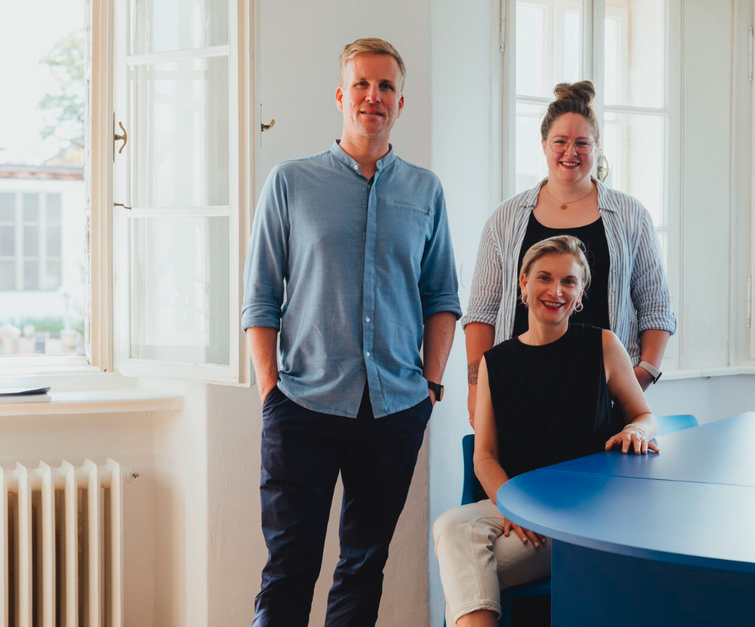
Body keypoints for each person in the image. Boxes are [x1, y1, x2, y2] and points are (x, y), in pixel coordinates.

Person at [241, 37, 461, 627]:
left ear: (400, 102)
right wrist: (270, 394)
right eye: (362, 84)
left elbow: (442, 297)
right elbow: (260, 299)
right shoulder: (290, 182)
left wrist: (431, 385)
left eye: (386, 85)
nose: (373, 96)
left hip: (394, 408)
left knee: (365, 565)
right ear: (342, 96)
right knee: (290, 566)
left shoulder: (425, 191)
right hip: (302, 404)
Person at [434, 235, 658, 627]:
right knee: (451, 525)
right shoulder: (495, 363)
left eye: (569, 282)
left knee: (464, 572)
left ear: (580, 292)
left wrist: (638, 431)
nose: (556, 291)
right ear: (523, 283)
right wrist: (512, 507)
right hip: (517, 509)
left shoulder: (602, 345)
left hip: (584, 517)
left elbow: (643, 414)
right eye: (544, 278)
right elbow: (484, 456)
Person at [462, 81, 676, 427]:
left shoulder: (632, 216)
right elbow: (482, 312)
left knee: (604, 482)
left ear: (597, 146)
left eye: (581, 143)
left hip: (603, 399)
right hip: (516, 391)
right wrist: (476, 389)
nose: (570, 153)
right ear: (544, 144)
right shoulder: (505, 218)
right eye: (560, 142)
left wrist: (641, 375)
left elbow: (656, 309)